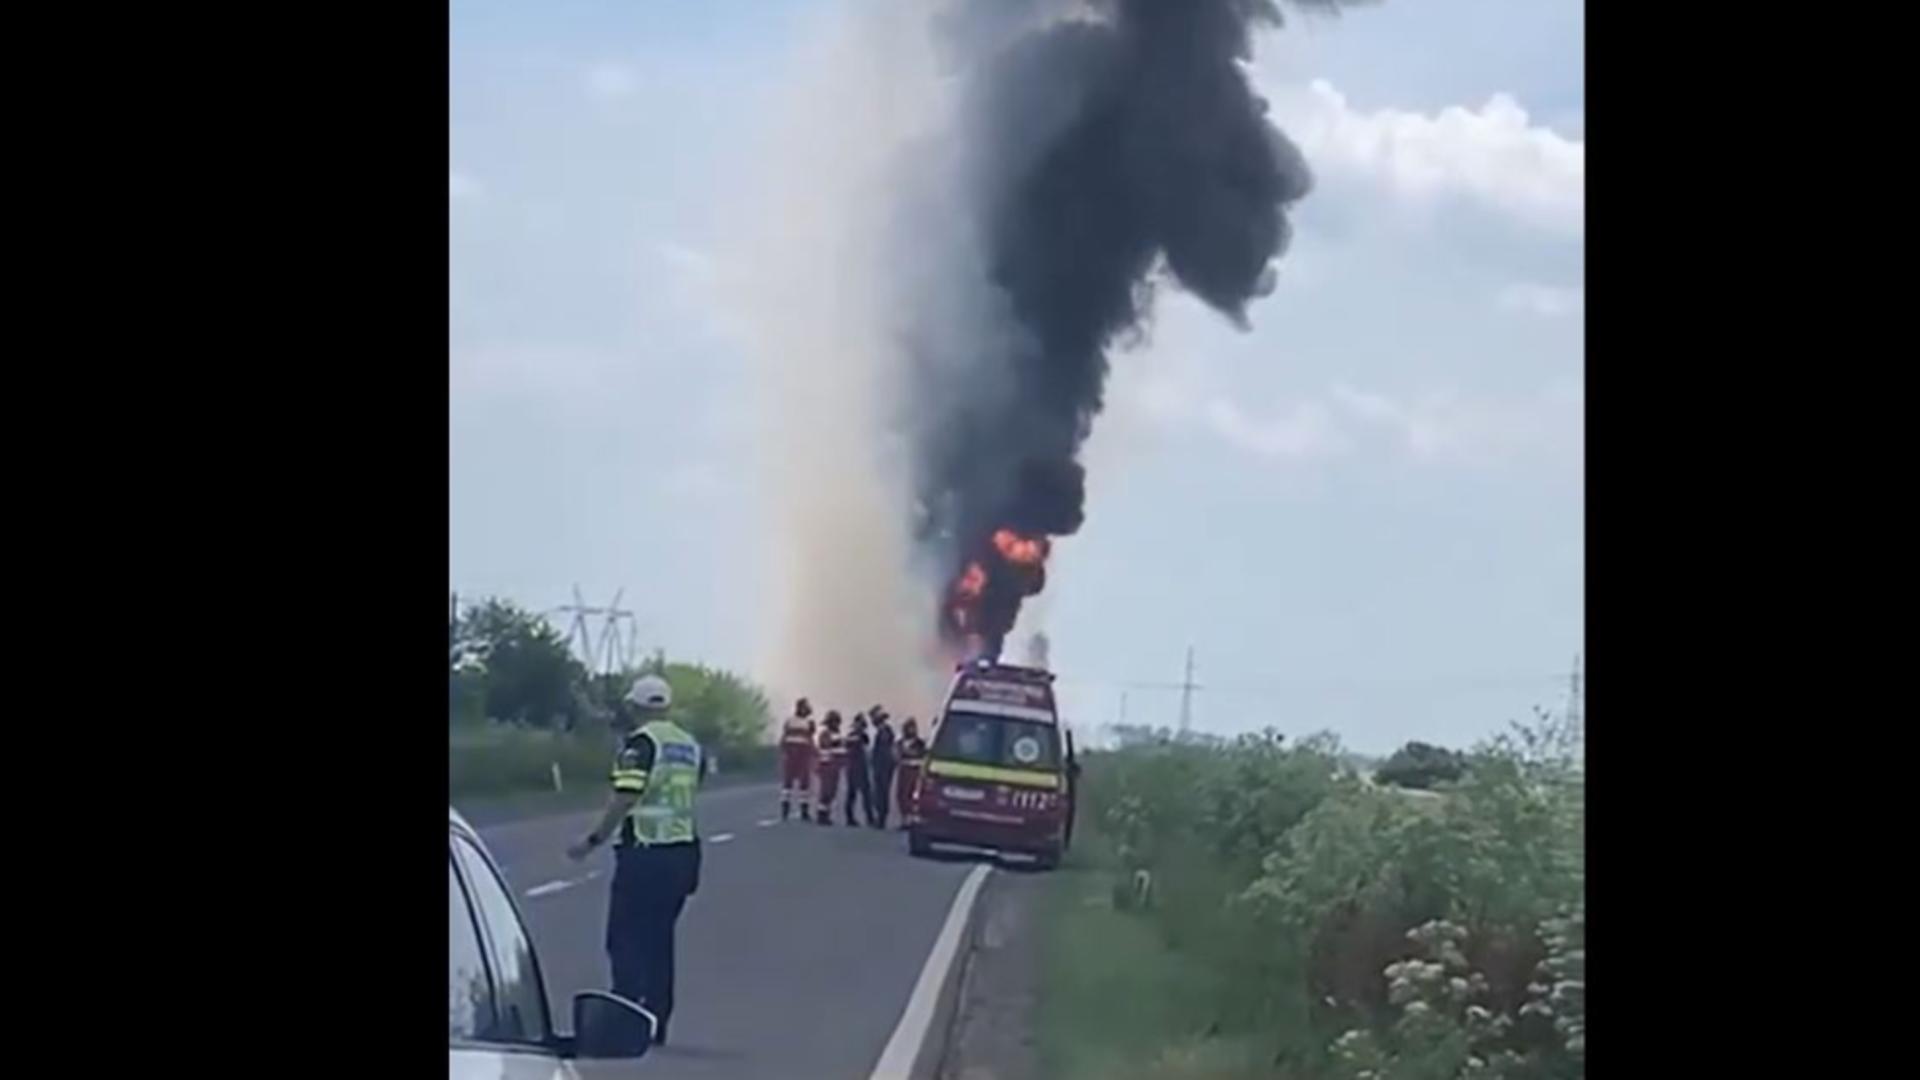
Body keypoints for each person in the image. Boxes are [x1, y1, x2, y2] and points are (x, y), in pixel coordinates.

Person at [566, 674, 703, 1046]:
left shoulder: (641, 745)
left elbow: (625, 797)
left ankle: (627, 1019)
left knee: (624, 939)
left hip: (645, 856)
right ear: (667, 705)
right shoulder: (688, 745)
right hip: (683, 855)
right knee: (659, 941)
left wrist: (592, 840)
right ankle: (657, 1021)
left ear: (636, 707)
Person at [778, 697, 817, 822]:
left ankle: (786, 811)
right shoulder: (808, 723)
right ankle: (803, 812)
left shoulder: (789, 721)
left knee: (788, 784)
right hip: (800, 756)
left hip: (792, 756)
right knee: (802, 785)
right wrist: (815, 754)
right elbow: (810, 740)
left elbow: (783, 739)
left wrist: (783, 752)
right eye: (806, 707)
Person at [894, 717, 928, 830]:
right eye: (908, 728)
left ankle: (912, 820)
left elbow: (923, 757)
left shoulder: (920, 744)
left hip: (914, 771)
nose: (910, 730)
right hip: (903, 770)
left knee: (912, 795)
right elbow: (896, 755)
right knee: (901, 795)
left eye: (912, 728)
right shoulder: (900, 743)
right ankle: (904, 819)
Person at [814, 711, 845, 826]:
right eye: (835, 722)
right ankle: (822, 815)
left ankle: (826, 813)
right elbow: (826, 745)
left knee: (832, 791)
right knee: (826, 791)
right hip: (826, 765)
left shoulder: (838, 734)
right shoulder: (825, 734)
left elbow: (841, 750)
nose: (837, 724)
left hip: (835, 766)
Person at [844, 712, 874, 827]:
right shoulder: (853, 735)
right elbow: (850, 745)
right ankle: (851, 817)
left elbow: (866, 743)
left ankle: (868, 817)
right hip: (854, 767)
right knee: (853, 794)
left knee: (864, 794)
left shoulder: (862, 735)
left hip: (860, 767)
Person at [869, 707, 896, 829]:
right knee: (879, 792)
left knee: (882, 792)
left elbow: (884, 751)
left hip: (883, 766)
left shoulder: (884, 731)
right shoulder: (883, 731)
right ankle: (880, 817)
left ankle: (881, 818)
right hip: (882, 765)